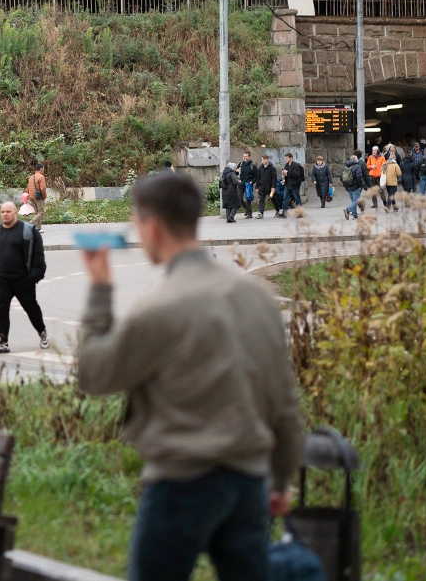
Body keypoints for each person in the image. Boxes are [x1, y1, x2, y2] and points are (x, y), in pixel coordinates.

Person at [75, 173, 303, 581]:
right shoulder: (258, 300)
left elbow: (94, 375)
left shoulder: (158, 309)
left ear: (153, 228)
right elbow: (284, 402)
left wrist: (99, 289)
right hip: (249, 482)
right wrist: (281, 479)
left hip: (181, 483)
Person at [0, 201, 49, 353]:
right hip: (0, 278)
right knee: (1, 309)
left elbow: (38, 258)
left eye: (8, 211)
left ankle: (42, 332)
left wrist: (32, 278)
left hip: (23, 278)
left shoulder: (28, 231)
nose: (5, 214)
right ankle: (3, 341)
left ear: (15, 213)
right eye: (2, 212)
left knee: (31, 308)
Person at [278, 153, 304, 218]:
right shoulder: (286, 165)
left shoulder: (295, 165)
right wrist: (284, 175)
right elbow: (287, 175)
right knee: (285, 198)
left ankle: (300, 213)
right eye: (285, 158)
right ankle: (284, 213)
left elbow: (296, 174)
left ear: (291, 158)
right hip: (288, 183)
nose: (286, 159)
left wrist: (288, 172)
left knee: (297, 198)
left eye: (287, 158)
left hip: (295, 184)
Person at [342, 151, 366, 220]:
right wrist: (360, 185)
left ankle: (355, 215)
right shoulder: (357, 166)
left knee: (353, 201)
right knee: (356, 201)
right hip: (355, 186)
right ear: (356, 160)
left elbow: (341, 176)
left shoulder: (346, 166)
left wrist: (346, 183)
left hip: (348, 186)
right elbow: (359, 177)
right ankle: (348, 210)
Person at [25, 164, 48, 232]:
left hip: (31, 197)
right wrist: (44, 196)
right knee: (41, 212)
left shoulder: (31, 177)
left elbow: (28, 188)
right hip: (38, 197)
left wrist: (28, 196)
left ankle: (38, 228)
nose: (44, 169)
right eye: (43, 168)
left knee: (37, 212)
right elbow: (43, 188)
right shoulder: (41, 177)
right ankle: (30, 223)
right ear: (41, 169)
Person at [255, 153, 278, 219]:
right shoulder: (260, 168)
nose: (263, 161)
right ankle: (261, 213)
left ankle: (277, 210)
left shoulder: (272, 168)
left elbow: (274, 178)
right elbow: (258, 178)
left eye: (264, 159)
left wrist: (273, 187)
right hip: (262, 186)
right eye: (262, 159)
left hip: (270, 186)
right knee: (261, 199)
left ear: (267, 159)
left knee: (273, 199)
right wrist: (257, 186)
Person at [236, 151, 257, 219]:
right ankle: (247, 209)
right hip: (241, 183)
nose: (245, 158)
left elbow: (256, 176)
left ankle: (249, 213)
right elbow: (236, 173)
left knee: (248, 198)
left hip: (248, 183)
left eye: (246, 156)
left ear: (249, 157)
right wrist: (236, 171)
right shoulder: (241, 164)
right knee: (239, 198)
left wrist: (252, 182)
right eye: (244, 156)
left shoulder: (252, 166)